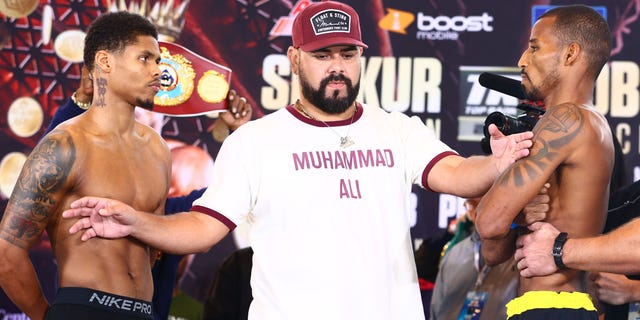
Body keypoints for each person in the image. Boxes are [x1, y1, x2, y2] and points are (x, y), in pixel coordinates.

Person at [61, 1, 534, 319]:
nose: (337, 66)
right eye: (322, 55)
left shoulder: (397, 129)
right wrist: (134, 222)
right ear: (294, 58)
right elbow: (203, 229)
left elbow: (456, 174)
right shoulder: (255, 142)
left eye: (347, 54)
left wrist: (497, 163)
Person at [39, 64, 251, 319]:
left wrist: (241, 133)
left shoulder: (167, 213)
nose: (139, 124)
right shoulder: (83, 195)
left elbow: (229, 191)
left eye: (148, 115)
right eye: (131, 112)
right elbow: (51, 158)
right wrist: (81, 100)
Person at [0, 11, 168, 320]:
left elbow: (154, 248)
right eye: (145, 58)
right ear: (105, 61)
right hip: (83, 309)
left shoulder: (158, 149)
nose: (158, 70)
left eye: (158, 60)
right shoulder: (64, 145)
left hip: (145, 311)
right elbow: (6, 252)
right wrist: (46, 317)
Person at [473, 5, 614, 319]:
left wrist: (506, 205)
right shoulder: (584, 122)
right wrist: (519, 213)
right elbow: (493, 252)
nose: (522, 60)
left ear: (570, 54)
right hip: (549, 306)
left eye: (534, 48)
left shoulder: (568, 119)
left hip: (555, 307)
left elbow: (487, 221)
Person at [430, 186, 548, 320]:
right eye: (471, 204)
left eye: (484, 204)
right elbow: (436, 309)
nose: (476, 211)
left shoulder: (525, 250)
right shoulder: (455, 252)